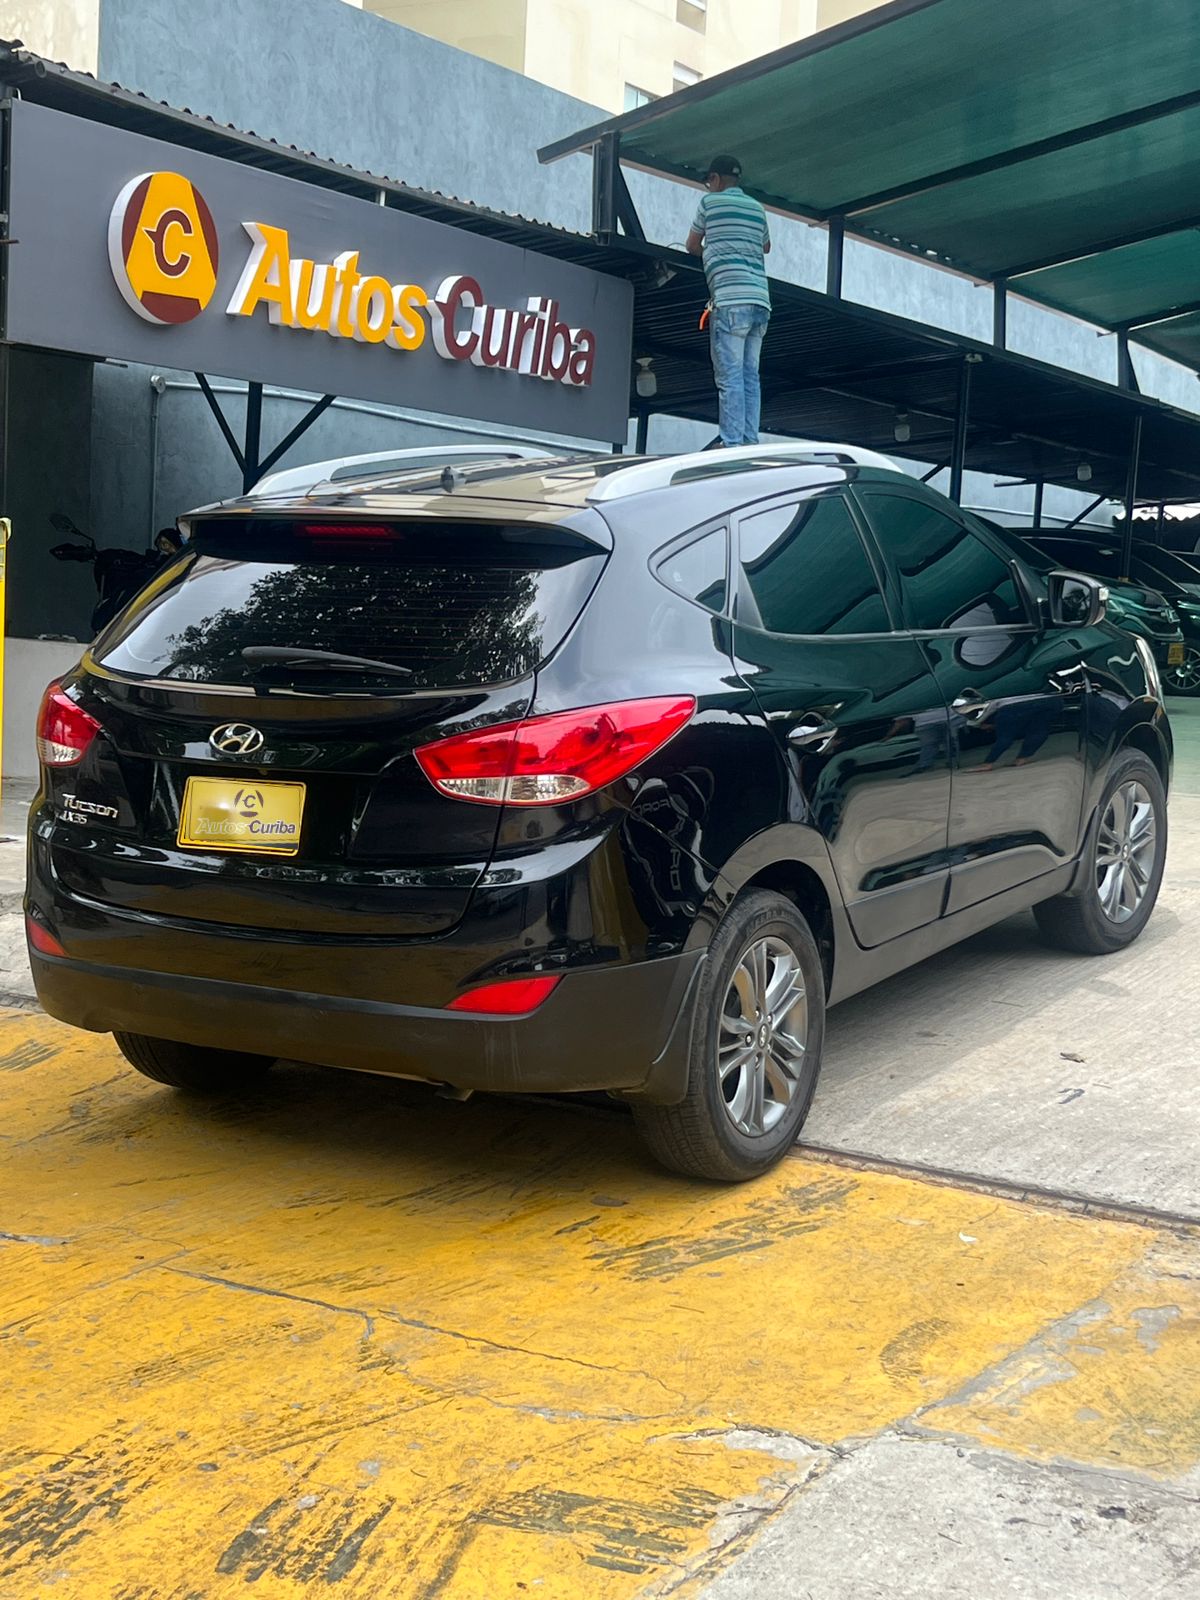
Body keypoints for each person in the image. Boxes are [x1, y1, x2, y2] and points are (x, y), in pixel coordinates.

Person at [686, 154, 771, 448]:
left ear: (716, 179)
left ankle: (732, 443)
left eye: (709, 181)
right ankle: (749, 440)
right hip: (760, 301)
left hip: (731, 301)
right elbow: (766, 246)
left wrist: (713, 250)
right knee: (750, 376)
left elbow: (692, 245)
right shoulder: (757, 209)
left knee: (730, 376)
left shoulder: (710, 203)